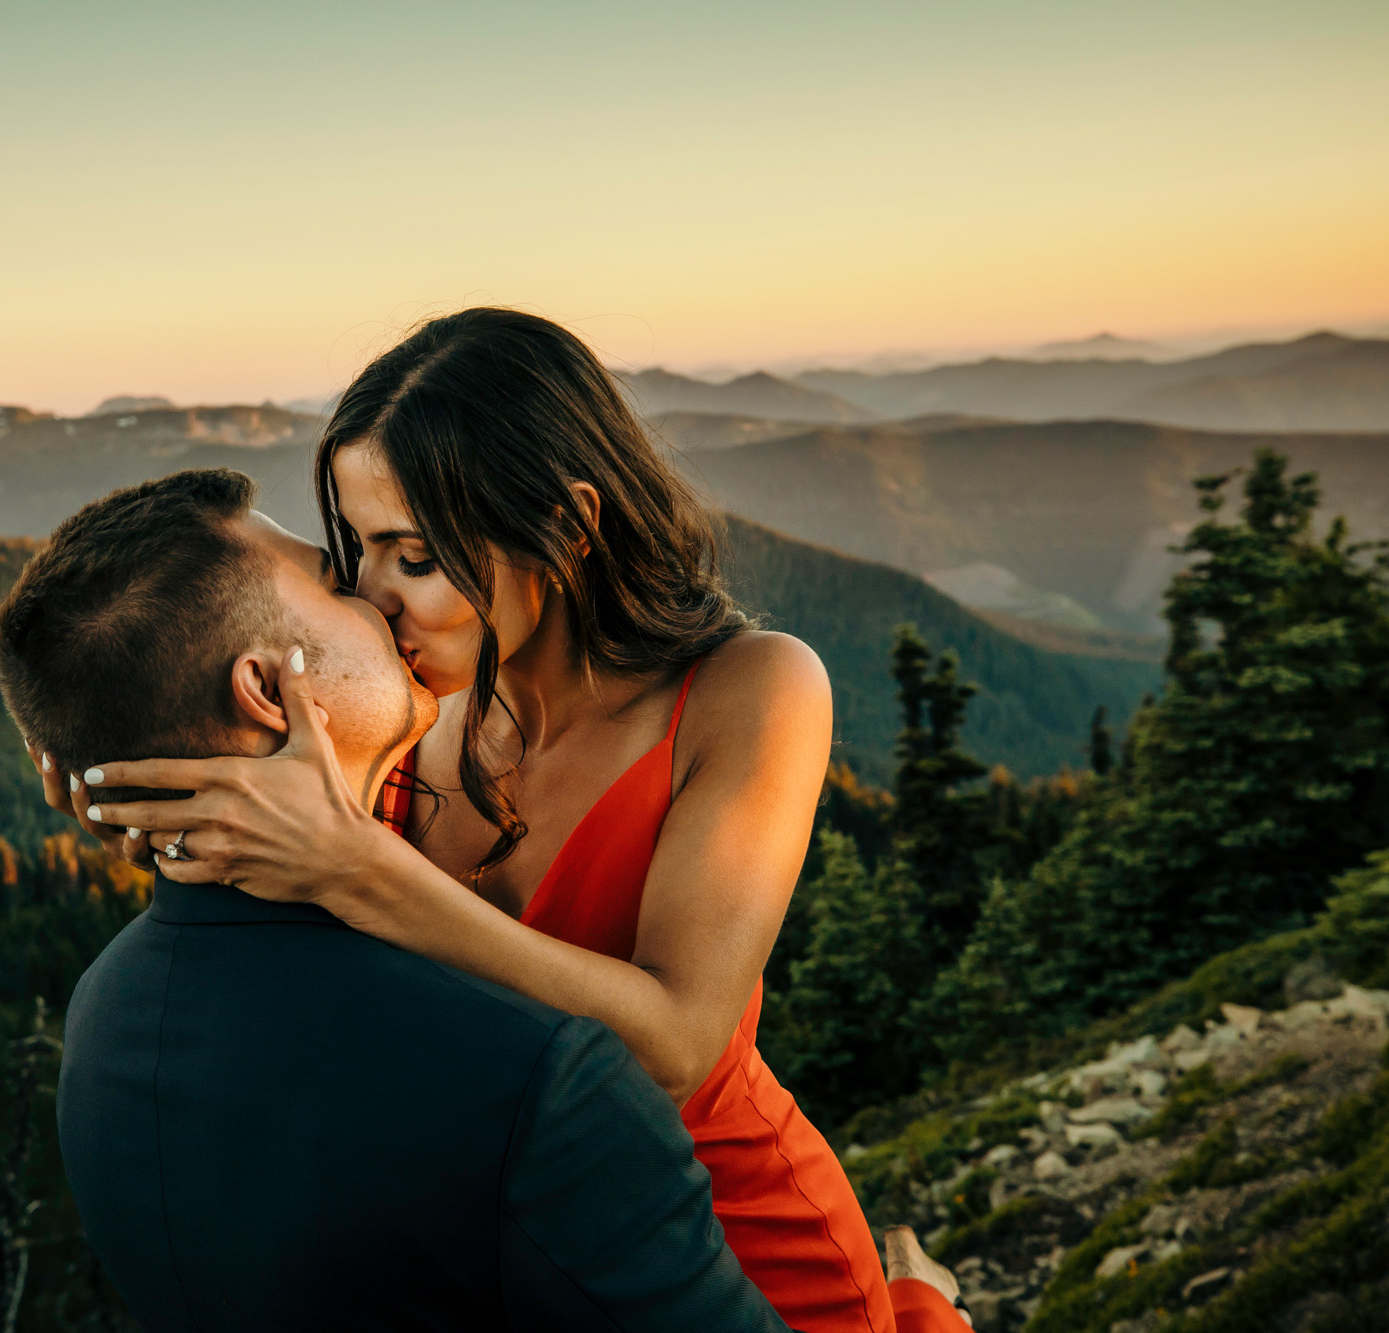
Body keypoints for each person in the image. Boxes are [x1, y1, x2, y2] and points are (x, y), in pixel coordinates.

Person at [70, 310, 966, 1333]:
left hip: (741, 1236)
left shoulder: (748, 691)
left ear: (567, 525)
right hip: (515, 1247)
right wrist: (114, 783)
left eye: (411, 556)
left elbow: (675, 1044)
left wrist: (360, 871)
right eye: (354, 551)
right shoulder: (401, 710)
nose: (371, 600)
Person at [0, 468, 798, 1331]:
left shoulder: (104, 1018)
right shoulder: (543, 1084)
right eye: (341, 581)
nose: (379, 602)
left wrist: (147, 806)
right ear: (268, 691)